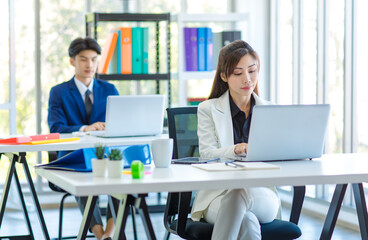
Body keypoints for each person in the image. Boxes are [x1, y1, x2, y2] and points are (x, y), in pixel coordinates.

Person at [191, 40, 280, 240]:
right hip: (217, 196)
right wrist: (236, 149)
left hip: (262, 195)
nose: (247, 79)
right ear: (224, 76)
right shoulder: (208, 109)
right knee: (246, 221)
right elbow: (206, 154)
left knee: (240, 193)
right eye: (238, 73)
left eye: (252, 71)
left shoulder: (270, 110)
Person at [47, 37, 119, 240]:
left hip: (106, 155)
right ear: (72, 61)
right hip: (74, 157)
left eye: (94, 60)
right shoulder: (59, 92)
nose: (90, 65)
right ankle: (99, 233)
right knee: (83, 178)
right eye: (83, 59)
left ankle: (109, 233)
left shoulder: (109, 89)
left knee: (121, 177)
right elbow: (56, 127)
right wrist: (84, 129)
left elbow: (120, 123)